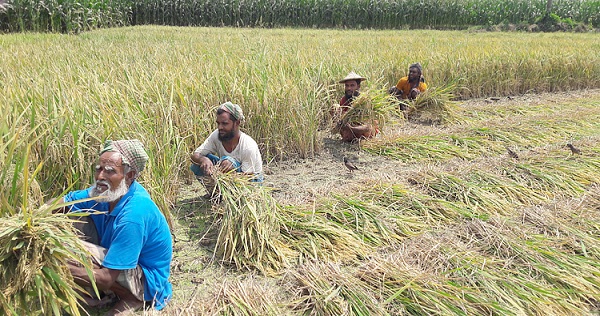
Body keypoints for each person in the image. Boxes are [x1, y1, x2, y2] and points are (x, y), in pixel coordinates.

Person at [60, 139, 173, 315]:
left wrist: (57, 267)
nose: (100, 176)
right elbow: (62, 203)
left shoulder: (134, 214)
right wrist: (34, 220)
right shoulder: (103, 193)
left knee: (65, 250)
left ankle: (132, 297)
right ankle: (92, 292)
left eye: (110, 171)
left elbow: (105, 278)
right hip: (117, 254)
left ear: (129, 175)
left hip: (144, 277)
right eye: (99, 169)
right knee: (68, 218)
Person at [190, 102, 263, 194]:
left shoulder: (248, 146)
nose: (220, 127)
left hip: (251, 183)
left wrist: (224, 173)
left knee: (226, 161)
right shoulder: (216, 135)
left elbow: (248, 178)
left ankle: (226, 194)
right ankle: (215, 194)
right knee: (197, 165)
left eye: (224, 123)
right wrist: (204, 160)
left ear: (237, 123)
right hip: (226, 175)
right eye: (218, 123)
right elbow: (195, 155)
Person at [334, 72, 378, 142]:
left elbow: (368, 126)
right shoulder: (344, 100)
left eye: (352, 85)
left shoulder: (365, 101)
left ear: (358, 86)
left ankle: (357, 137)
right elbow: (342, 118)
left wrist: (351, 128)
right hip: (350, 129)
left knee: (368, 128)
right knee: (334, 108)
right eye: (347, 85)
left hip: (364, 132)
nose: (349, 88)